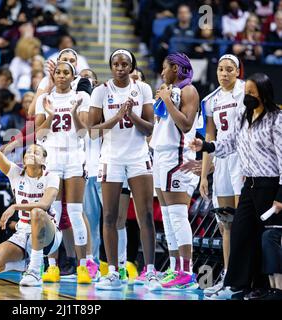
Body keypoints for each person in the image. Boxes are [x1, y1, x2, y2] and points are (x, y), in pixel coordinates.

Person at [190, 73, 282, 300]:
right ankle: (237, 284)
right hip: (249, 184)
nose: (248, 97)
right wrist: (206, 145)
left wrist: (280, 195)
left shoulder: (276, 118)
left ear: (263, 94)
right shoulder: (243, 116)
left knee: (264, 238)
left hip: (269, 185)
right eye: (246, 92)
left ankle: (262, 287)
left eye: (252, 93)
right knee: (240, 232)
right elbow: (229, 143)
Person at [88, 49, 156, 290]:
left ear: (131, 66)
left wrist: (132, 116)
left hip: (138, 156)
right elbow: (92, 130)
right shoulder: (100, 91)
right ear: (111, 66)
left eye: (124, 64)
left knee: (145, 215)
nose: (119, 67)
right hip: (111, 158)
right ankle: (113, 271)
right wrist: (117, 116)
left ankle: (150, 271)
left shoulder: (143, 89)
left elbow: (149, 129)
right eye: (115, 64)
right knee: (110, 216)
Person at [0, 96, 62, 287]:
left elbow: (44, 205)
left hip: (49, 236)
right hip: (23, 233)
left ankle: (35, 271)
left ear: (44, 160)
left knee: (36, 212)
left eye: (36, 152)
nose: (30, 154)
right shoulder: (16, 173)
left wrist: (14, 207)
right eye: (28, 152)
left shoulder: (51, 176)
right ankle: (26, 264)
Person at [35, 61, 93, 284]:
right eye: (58, 72)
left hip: (75, 157)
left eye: (65, 73)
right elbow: (39, 135)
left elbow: (82, 133)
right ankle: (52, 267)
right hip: (52, 157)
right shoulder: (43, 99)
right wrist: (50, 115)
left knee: (76, 213)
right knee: (54, 214)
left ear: (73, 76)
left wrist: (75, 112)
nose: (61, 76)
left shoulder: (82, 97)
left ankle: (82, 267)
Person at [149, 53, 200, 291]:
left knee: (178, 215)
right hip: (160, 155)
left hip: (177, 157)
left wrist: (168, 100)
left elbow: (186, 124)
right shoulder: (169, 89)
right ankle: (173, 268)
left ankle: (187, 272)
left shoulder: (188, 90)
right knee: (167, 217)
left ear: (177, 69)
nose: (162, 72)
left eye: (165, 68)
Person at [199, 54, 245, 295]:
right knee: (226, 223)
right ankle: (229, 277)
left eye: (229, 69)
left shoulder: (247, 91)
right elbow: (209, 138)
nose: (224, 73)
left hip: (244, 159)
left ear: (238, 72)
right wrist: (204, 174)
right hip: (222, 160)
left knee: (243, 223)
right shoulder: (211, 100)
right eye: (220, 69)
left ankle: (245, 279)